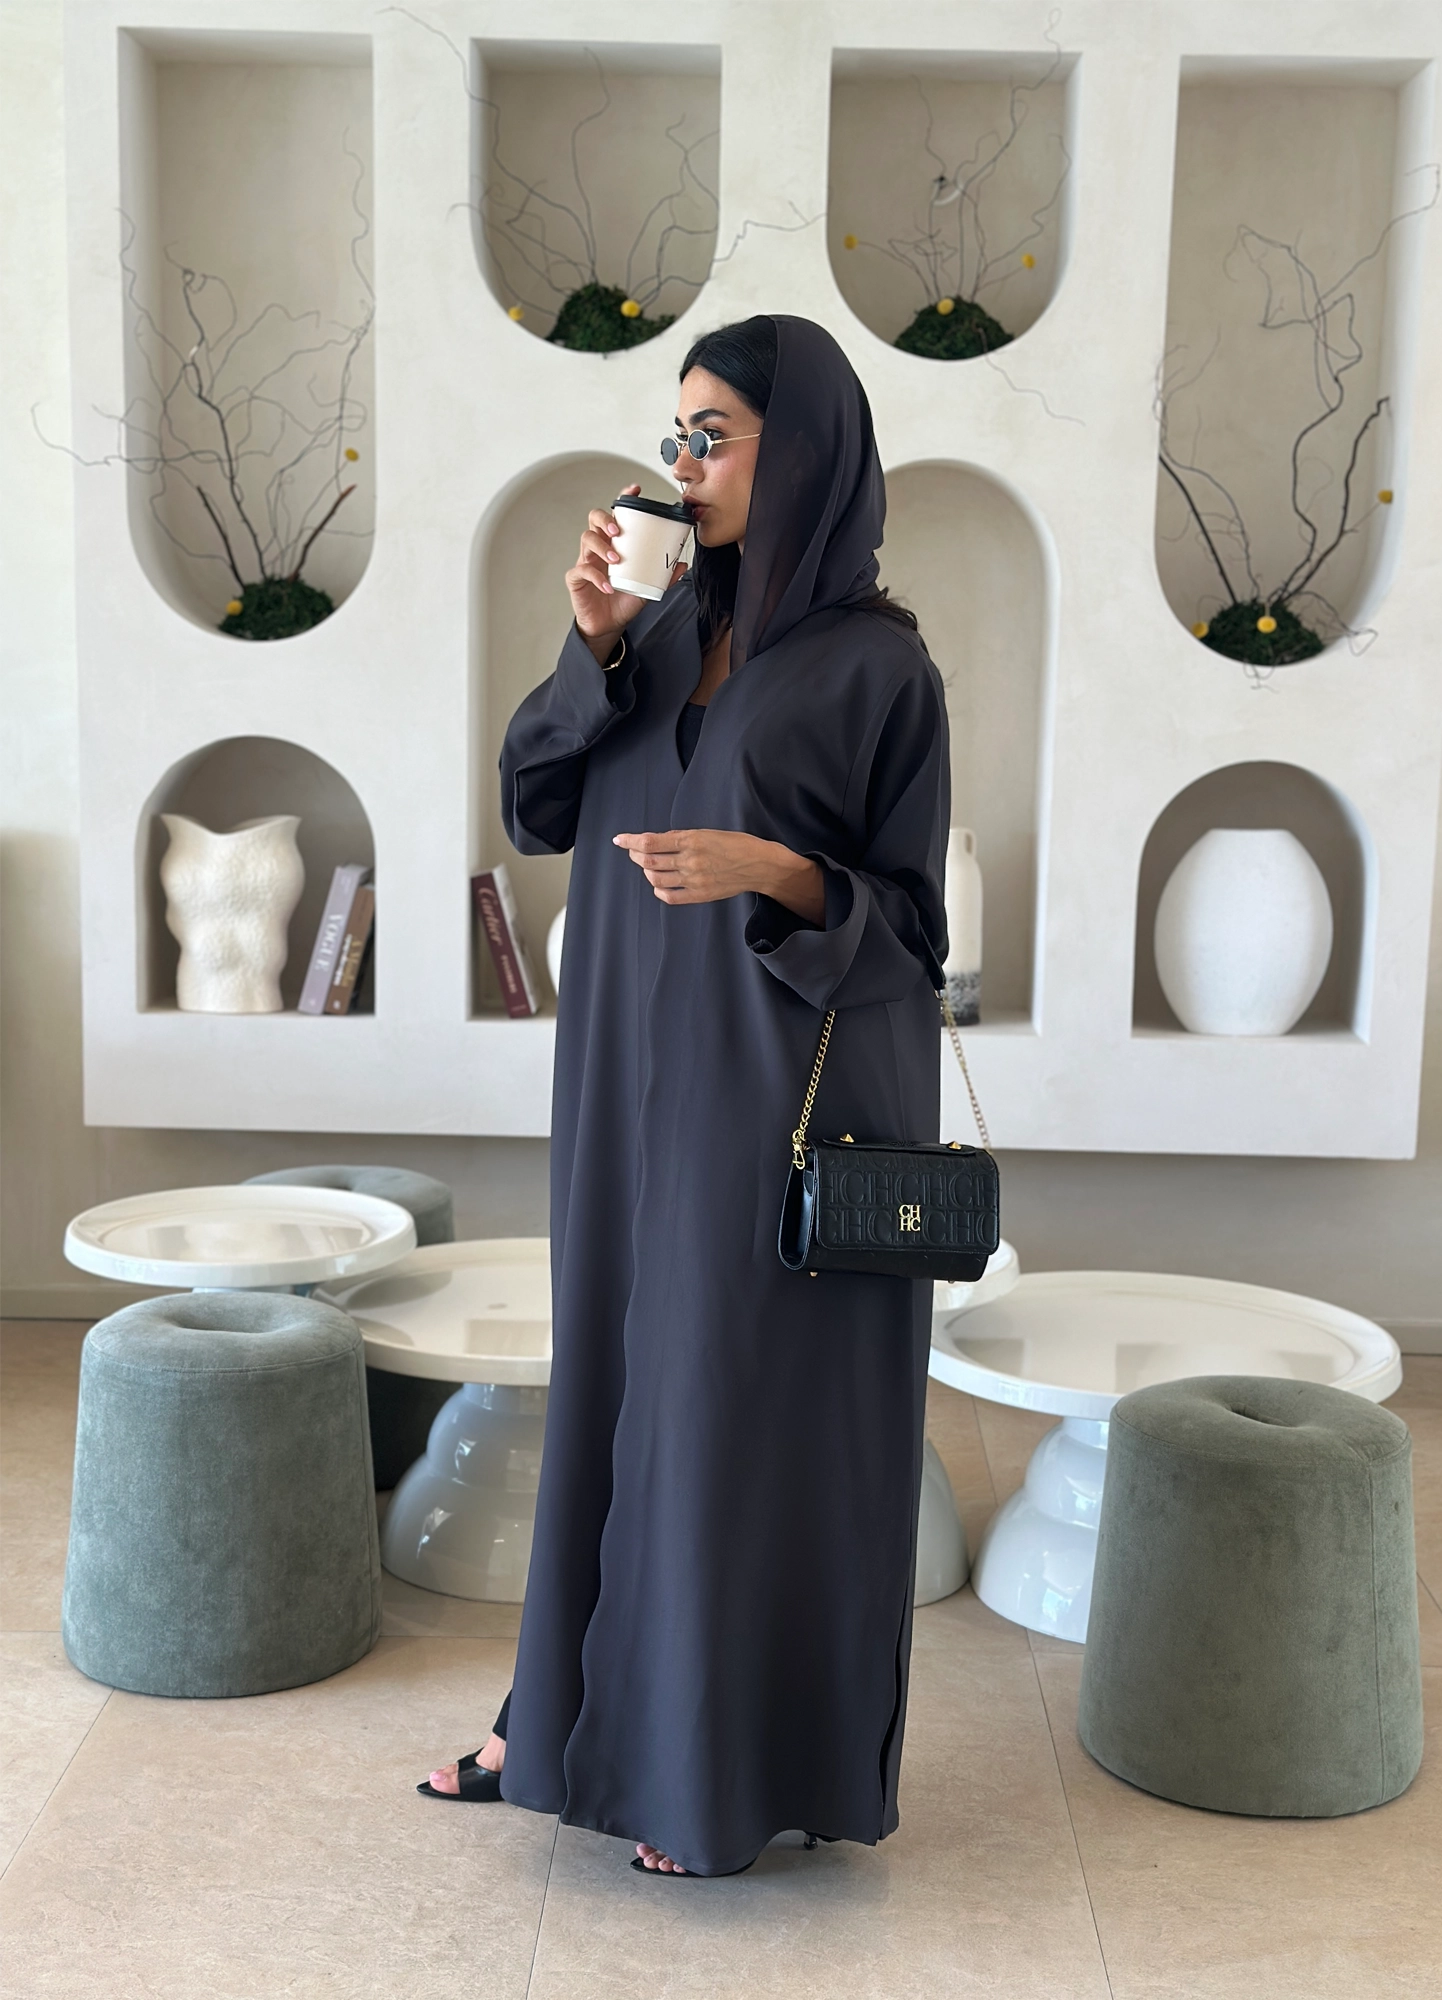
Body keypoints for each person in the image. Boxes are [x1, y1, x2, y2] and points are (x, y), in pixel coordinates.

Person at [421, 313, 950, 1878]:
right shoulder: (652, 636)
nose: (682, 465)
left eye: (711, 436)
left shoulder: (878, 668)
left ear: (806, 452)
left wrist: (773, 870)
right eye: (676, 438)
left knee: (730, 1412)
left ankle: (706, 1768)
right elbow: (536, 806)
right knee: (612, 1383)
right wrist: (590, 639)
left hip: (781, 1087)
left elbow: (913, 932)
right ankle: (551, 1716)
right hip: (622, 1087)